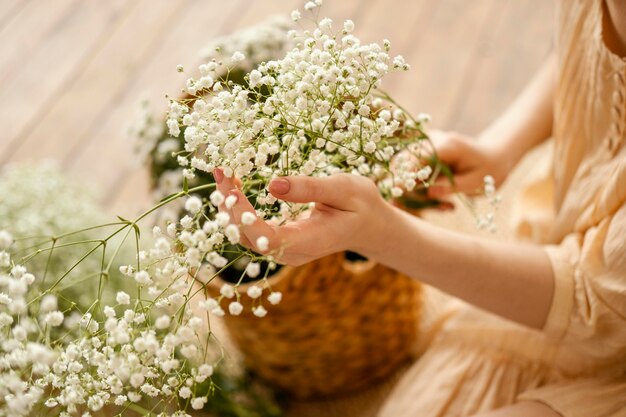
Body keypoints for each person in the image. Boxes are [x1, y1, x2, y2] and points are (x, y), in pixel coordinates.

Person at [213, 0, 626, 415]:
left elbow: (595, 307)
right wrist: (501, 146)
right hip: (572, 241)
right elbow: (587, 42)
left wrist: (377, 233)